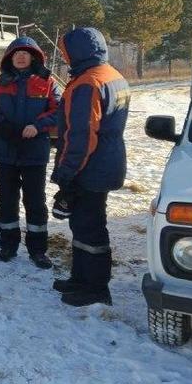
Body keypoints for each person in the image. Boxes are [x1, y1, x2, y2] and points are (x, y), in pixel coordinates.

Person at [50, 27, 130, 307]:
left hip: (90, 168)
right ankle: (80, 278)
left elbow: (81, 137)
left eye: (66, 52)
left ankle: (95, 287)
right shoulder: (112, 75)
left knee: (90, 226)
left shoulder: (87, 84)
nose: (64, 57)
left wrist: (66, 177)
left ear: (79, 51)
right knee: (84, 224)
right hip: (107, 161)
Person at [0, 36, 61, 269]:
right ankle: (8, 246)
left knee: (35, 202)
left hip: (35, 152)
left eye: (26, 53)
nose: (21, 56)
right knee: (6, 201)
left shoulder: (47, 82)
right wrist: (1, 125)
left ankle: (38, 250)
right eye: (17, 53)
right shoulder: (0, 83)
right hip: (5, 152)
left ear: (35, 57)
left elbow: (58, 111)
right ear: (9, 57)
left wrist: (37, 126)